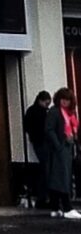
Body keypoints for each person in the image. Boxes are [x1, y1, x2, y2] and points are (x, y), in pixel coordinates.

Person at [40, 87, 80, 217]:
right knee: (61, 177)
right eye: (63, 99)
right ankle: (67, 207)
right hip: (59, 149)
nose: (65, 102)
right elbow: (49, 129)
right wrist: (58, 145)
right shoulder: (55, 112)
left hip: (66, 148)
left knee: (60, 177)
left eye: (67, 100)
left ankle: (56, 207)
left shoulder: (69, 113)